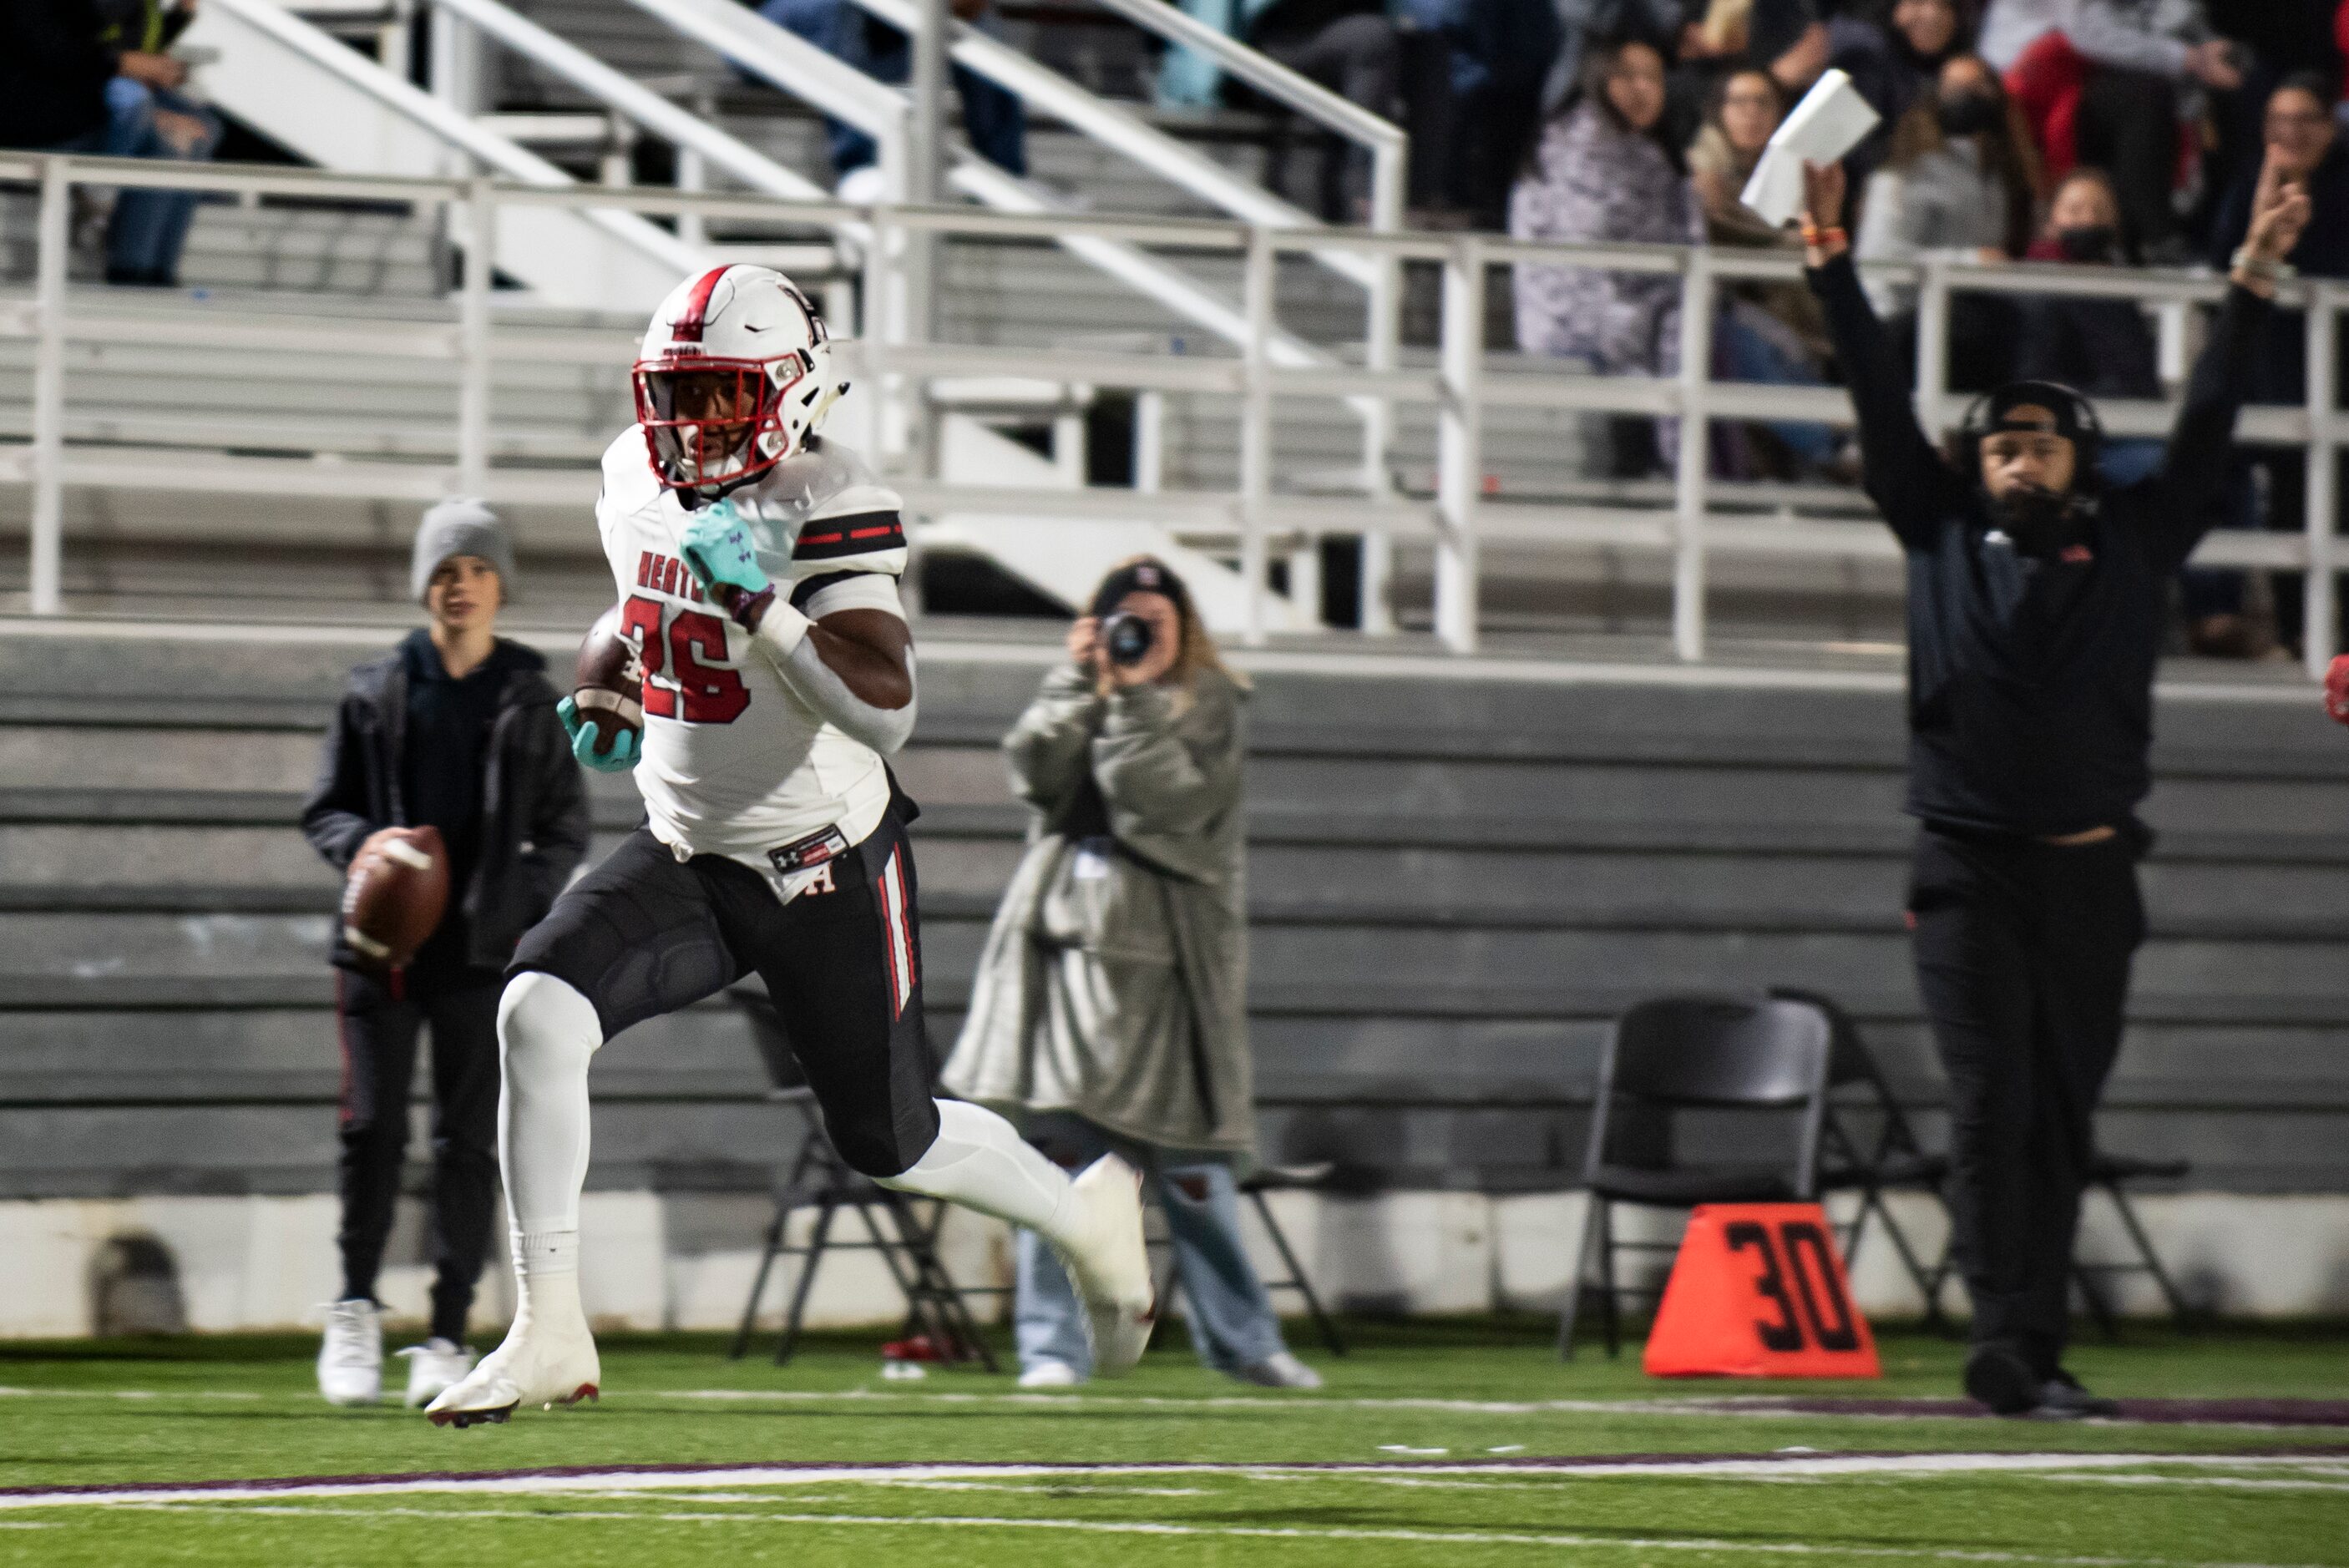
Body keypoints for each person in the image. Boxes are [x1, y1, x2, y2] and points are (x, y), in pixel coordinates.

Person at [422, 265, 1155, 1427]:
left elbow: (884, 703)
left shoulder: (833, 494)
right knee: (536, 1013)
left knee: (893, 1142)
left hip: (824, 861)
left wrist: (764, 605)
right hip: (688, 850)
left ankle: (1081, 1213)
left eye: (719, 395)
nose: (691, 423)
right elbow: (639, 605)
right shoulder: (631, 471)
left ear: (794, 390)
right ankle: (548, 1322)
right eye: (676, 393)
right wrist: (609, 679)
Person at [1796, 148, 2305, 1416]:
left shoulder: (2135, 540)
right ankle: (2009, 1336)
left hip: (2089, 865)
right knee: (1986, 1100)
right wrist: (1831, 267)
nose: (2017, 458)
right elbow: (1872, 398)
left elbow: (2206, 422)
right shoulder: (1933, 527)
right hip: (1962, 863)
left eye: (2040, 441)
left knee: (2058, 1113)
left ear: (2081, 459)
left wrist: (2250, 278)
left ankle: (2034, 1337)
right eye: (1999, 444)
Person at [944, 559, 1319, 1392]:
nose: (1139, 632)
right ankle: (1052, 1348)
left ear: (1184, 626)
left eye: (1156, 617)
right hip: (1067, 967)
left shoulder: (1212, 702)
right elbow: (1035, 776)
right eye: (1124, 617)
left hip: (1169, 977)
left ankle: (1245, 1343)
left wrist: (1138, 698)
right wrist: (1075, 681)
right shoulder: (1080, 686)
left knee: (1194, 1179)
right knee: (1060, 1169)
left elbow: (1169, 806)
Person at [300, 500, 591, 1409]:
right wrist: (367, 850)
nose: (457, 583)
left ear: (499, 583)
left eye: (474, 568)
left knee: (467, 1144)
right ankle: (352, 1311)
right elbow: (325, 809)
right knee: (370, 1132)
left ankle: (445, 1330)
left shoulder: (532, 700)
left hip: (480, 959)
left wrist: (517, 907)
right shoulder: (374, 689)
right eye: (443, 568)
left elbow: (565, 828)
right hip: (380, 950)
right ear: (422, 583)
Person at [2202, 74, 2349, 656]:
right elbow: (2221, 268)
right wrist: (2264, 216)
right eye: (2277, 121)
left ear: (2329, 125)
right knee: (2290, 497)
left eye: (2303, 119)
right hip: (2274, 367)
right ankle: (2296, 633)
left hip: (2341, 362)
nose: (2289, 133)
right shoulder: (2246, 186)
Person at [1511, 36, 1701, 478]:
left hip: (1636, 317)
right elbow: (1586, 263)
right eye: (1627, 75)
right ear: (1595, 80)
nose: (1642, 89)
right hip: (1582, 322)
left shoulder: (1651, 155)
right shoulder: (1579, 148)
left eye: (1653, 77)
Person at [1982, 0, 2240, 255]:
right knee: (2143, 96)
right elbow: (2088, 33)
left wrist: (2214, 57)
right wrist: (2190, 59)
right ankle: (2158, 236)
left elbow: (2180, 25)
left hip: (2106, 84)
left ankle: (2211, 245)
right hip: (2030, 86)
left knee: (2239, 92)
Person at [0, 0, 220, 286]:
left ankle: (158, 271)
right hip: (40, 114)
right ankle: (131, 266)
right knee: (161, 141)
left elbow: (122, 50)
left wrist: (180, 19)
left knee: (199, 131)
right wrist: (134, 74)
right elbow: (61, 50)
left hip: (83, 95)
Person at [1853, 53, 2038, 388]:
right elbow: (1881, 261)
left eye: (1978, 86)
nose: (1967, 96)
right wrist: (1971, 262)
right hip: (1898, 321)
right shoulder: (1905, 172)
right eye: (1955, 86)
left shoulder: (2000, 174)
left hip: (1967, 316)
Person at [1688, 68, 1840, 475]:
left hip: (1792, 304)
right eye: (1739, 103)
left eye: (1763, 103)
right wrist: (1785, 243)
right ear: (1719, 112)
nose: (1751, 113)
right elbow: (1724, 230)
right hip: (1730, 303)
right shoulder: (1704, 167)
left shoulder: (1795, 167)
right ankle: (1831, 446)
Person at [1160, 0, 1402, 220]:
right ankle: (1360, 191)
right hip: (1263, 48)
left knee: (1412, 37)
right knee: (1372, 36)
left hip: (1341, 48)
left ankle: (1405, 194)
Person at [758, 0, 1025, 196]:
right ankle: (859, 167)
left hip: (885, 26)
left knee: (975, 24)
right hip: (761, 24)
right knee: (840, 8)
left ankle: (1004, 176)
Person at [1828, 0, 1971, 198]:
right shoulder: (1868, 60)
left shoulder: (1958, 73)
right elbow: (1853, 151)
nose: (1932, 15)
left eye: (1944, 6)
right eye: (1918, 2)